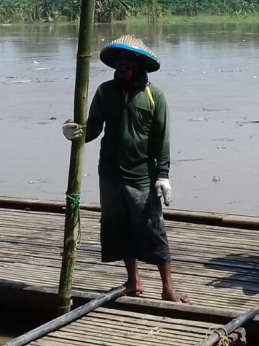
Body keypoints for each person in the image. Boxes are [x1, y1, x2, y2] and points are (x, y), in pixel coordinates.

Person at [62, 35, 187, 302]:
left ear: (140, 64)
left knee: (153, 229)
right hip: (109, 172)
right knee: (119, 227)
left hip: (142, 173)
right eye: (119, 64)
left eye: (129, 63)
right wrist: (75, 130)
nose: (123, 67)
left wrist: (163, 175)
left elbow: (162, 139)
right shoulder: (105, 92)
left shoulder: (155, 96)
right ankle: (133, 280)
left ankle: (168, 286)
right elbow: (93, 128)